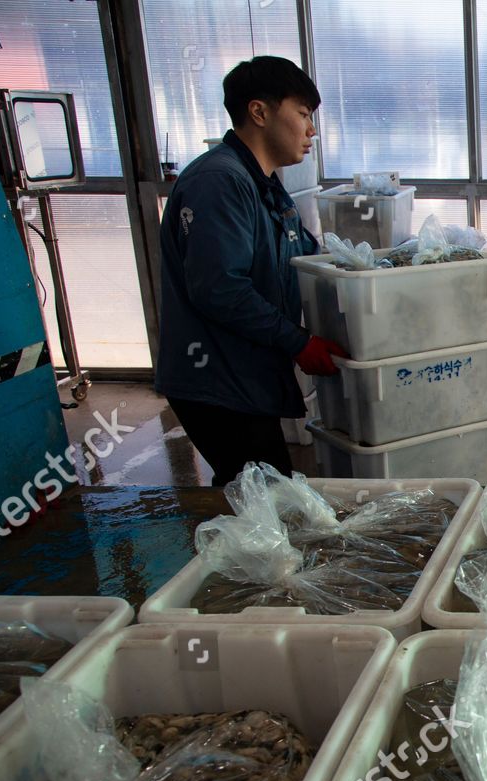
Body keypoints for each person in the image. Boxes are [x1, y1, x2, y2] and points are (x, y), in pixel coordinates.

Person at [154, 55, 348, 486]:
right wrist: (298, 341)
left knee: (264, 494)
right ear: (259, 112)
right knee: (262, 501)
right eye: (302, 114)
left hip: (244, 373)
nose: (311, 129)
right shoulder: (219, 181)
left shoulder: (262, 182)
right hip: (216, 378)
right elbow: (219, 288)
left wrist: (379, 270)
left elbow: (304, 253)